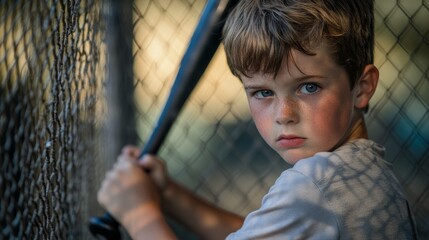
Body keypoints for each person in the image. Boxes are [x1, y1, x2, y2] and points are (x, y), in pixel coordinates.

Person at [97, 0, 418, 239]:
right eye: (263, 92)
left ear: (362, 88)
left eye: (309, 87)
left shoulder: (314, 184)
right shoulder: (366, 172)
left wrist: (138, 214)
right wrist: (168, 196)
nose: (284, 115)